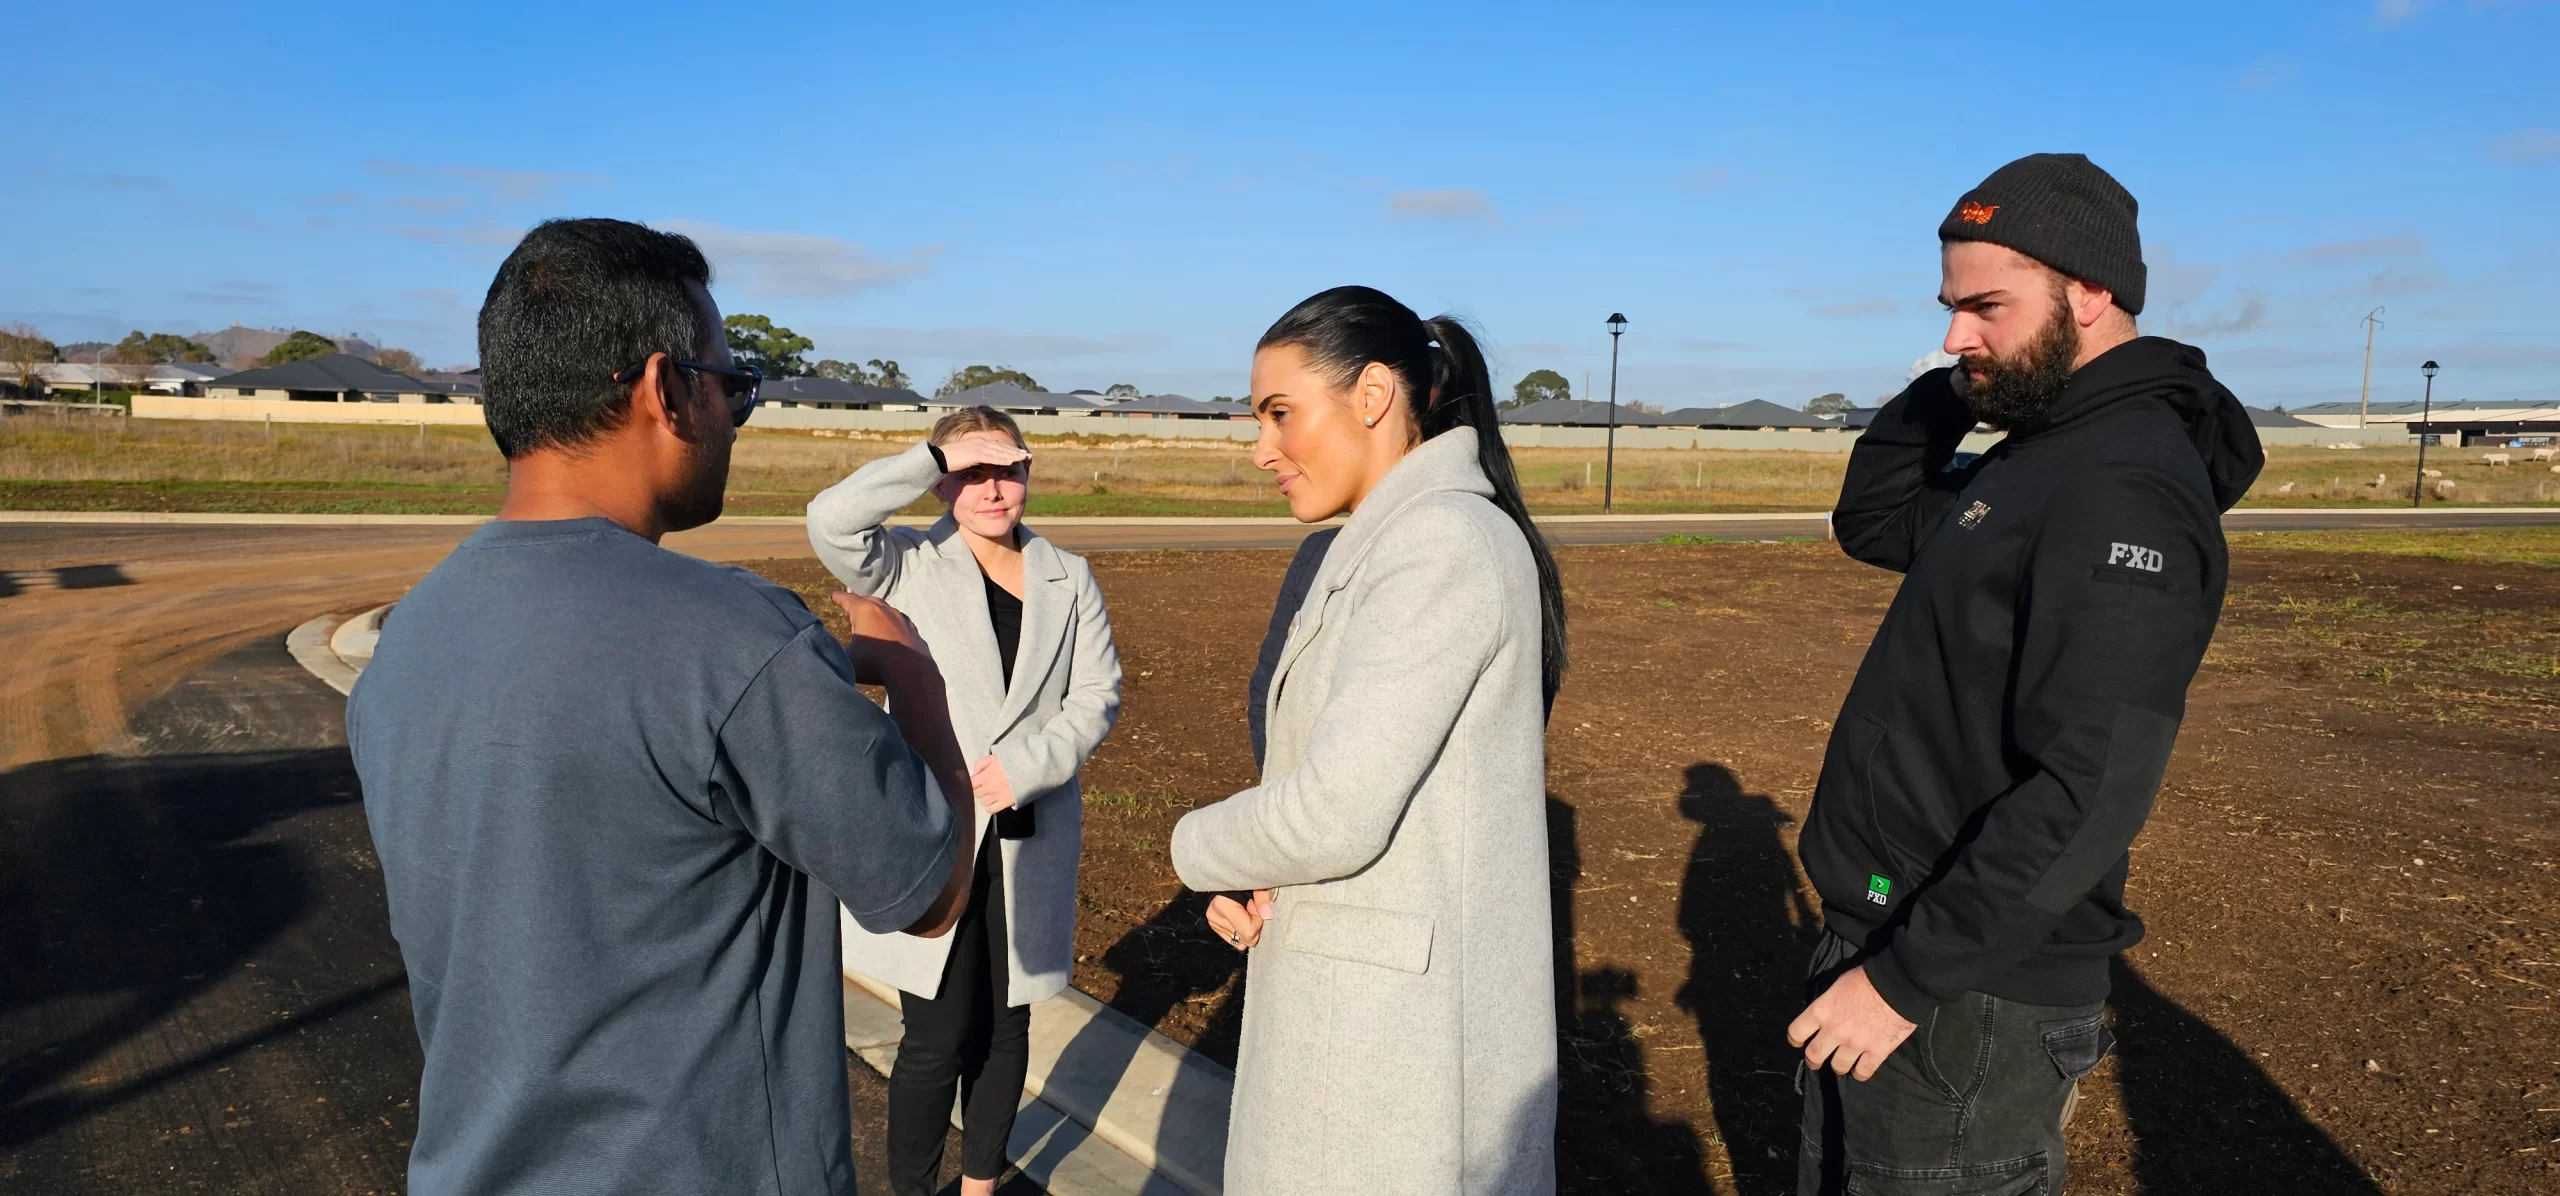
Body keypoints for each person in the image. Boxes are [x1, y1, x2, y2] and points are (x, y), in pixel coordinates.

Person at [347, 218, 978, 1196]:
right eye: (734, 387)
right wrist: (917, 682)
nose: (733, 414)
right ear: (664, 389)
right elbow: (931, 892)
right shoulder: (731, 637)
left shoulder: (412, 637)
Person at [1788, 155, 2265, 1194]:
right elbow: (1875, 521)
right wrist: (1959, 385)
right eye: (1950, 308)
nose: (1956, 335)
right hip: (1905, 940)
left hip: (1967, 996)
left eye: (1985, 307)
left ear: (2091, 292)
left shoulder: (2123, 483)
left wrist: (1907, 978)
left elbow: (2088, 783)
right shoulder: (2042, 448)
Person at [1170, 285, 1568, 1195]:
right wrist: (1262, 867)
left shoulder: (1442, 544)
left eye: (1280, 414)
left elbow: (1334, 811)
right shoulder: (1388, 539)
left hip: (1398, 1052)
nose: (1260, 448)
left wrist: (1195, 845)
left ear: (1375, 394)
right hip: (1355, 1023)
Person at [808, 406, 1123, 1196]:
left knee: (1007, 1021)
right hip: (937, 829)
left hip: (1030, 826)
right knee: (934, 1035)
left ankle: (981, 1183)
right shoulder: (907, 563)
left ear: (1029, 473)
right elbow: (831, 519)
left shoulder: (1068, 574)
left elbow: (1098, 693)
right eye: (971, 472)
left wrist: (1030, 764)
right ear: (944, 479)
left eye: (1007, 469)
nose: (993, 489)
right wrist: (928, 452)